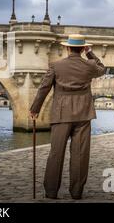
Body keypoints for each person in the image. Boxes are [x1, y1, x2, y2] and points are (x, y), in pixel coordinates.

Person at [30, 34, 106, 200]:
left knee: (56, 153)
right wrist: (90, 53)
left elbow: (44, 88)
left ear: (67, 47)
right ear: (82, 48)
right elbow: (102, 69)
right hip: (83, 113)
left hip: (61, 113)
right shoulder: (90, 65)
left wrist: (35, 108)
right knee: (80, 154)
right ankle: (76, 192)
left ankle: (51, 192)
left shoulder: (56, 66)